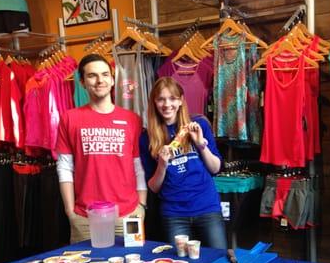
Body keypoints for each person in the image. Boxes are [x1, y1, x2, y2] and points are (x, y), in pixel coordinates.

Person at [55, 54, 147, 244]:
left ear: (112, 80)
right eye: (92, 76)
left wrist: (142, 205)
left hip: (128, 214)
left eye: (105, 74)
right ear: (82, 82)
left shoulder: (132, 119)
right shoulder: (69, 118)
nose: (100, 80)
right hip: (85, 217)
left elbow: (138, 165)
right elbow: (64, 167)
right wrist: (70, 211)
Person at [140, 77, 227, 250]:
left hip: (207, 207)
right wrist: (162, 165)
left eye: (172, 98)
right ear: (154, 102)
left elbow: (215, 168)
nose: (167, 104)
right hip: (174, 214)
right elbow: (154, 187)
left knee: (218, 261)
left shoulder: (199, 124)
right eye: (161, 99)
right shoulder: (146, 137)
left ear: (180, 100)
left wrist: (201, 144)